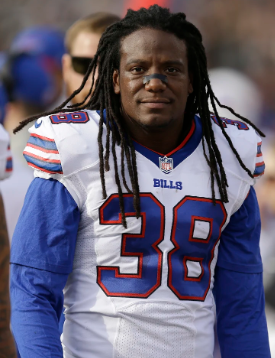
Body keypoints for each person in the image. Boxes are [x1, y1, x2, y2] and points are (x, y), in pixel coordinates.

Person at [10, 5, 270, 358]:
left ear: (192, 78)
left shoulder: (230, 157)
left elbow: (242, 307)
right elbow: (33, 290)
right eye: (138, 69)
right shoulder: (76, 146)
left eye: (171, 69)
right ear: (115, 79)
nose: (154, 82)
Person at [62, 12, 120, 104]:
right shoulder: (45, 119)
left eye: (108, 66)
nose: (97, 77)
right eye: (84, 64)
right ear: (66, 68)